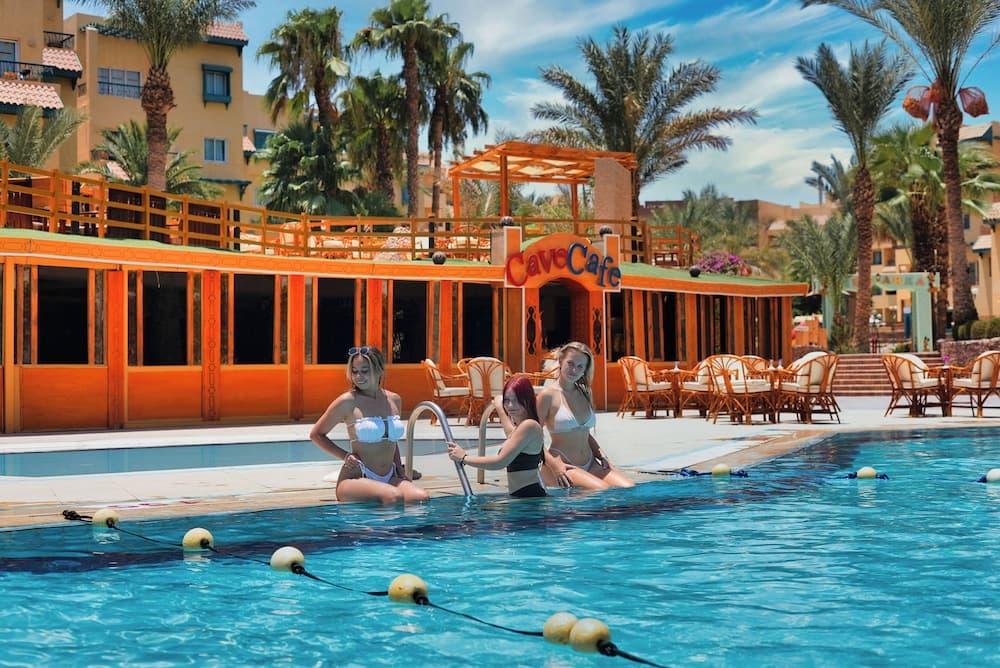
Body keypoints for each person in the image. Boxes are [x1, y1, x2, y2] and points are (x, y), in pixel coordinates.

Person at [310, 345, 429, 504]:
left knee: (421, 498)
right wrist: (345, 456)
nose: (358, 376)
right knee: (393, 496)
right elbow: (316, 434)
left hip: (389, 476)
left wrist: (400, 472)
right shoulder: (348, 401)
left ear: (379, 370)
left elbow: (391, 441)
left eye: (364, 371)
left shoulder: (394, 400)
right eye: (354, 371)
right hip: (356, 477)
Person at [537, 341, 634, 490]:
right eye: (570, 363)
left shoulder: (584, 393)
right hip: (563, 465)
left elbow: (583, 432)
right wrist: (554, 465)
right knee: (601, 490)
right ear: (561, 361)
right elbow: (532, 438)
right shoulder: (547, 395)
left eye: (580, 366)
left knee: (628, 488)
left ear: (585, 370)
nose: (574, 370)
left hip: (591, 462)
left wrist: (602, 456)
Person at [447, 375, 548, 498]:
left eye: (517, 400)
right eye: (507, 400)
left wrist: (464, 458)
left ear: (528, 400)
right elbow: (510, 433)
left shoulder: (529, 426)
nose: (510, 405)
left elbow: (499, 462)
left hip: (530, 497)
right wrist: (500, 407)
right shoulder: (521, 428)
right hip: (524, 497)